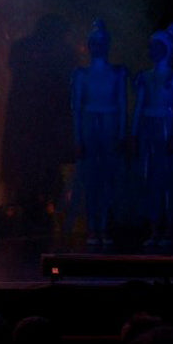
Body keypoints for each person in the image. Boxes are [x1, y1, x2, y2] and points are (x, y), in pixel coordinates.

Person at [70, 18, 128, 245]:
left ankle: (103, 225)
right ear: (89, 45)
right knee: (91, 178)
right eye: (94, 42)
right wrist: (78, 139)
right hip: (89, 126)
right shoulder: (81, 74)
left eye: (102, 42)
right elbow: (76, 108)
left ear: (107, 45)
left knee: (107, 178)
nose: (98, 46)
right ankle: (93, 227)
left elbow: (122, 104)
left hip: (110, 126)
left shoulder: (117, 73)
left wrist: (122, 134)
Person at [131, 23, 173, 247]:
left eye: (156, 47)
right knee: (151, 178)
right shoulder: (145, 77)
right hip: (149, 130)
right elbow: (139, 107)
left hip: (166, 129)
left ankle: (168, 229)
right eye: (150, 47)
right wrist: (134, 134)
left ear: (166, 49)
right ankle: (154, 229)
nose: (152, 50)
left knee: (167, 179)